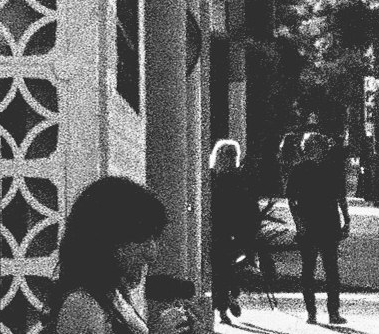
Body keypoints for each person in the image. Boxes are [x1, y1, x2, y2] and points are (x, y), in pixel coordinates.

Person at [41, 176, 198, 334]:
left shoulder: (113, 295)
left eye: (153, 238)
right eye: (141, 239)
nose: (152, 254)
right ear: (107, 241)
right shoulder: (82, 304)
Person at [285, 129, 350, 326]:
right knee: (309, 270)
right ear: (308, 149)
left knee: (331, 270)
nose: (319, 150)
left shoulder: (332, 168)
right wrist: (298, 222)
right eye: (315, 146)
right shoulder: (299, 170)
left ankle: (333, 311)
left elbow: (341, 196)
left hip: (329, 222)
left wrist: (346, 219)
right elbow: (291, 199)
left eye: (321, 146)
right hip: (309, 223)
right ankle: (311, 312)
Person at [208, 140, 253, 321]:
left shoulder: (238, 178)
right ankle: (223, 308)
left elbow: (248, 204)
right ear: (219, 156)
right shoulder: (212, 177)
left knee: (232, 268)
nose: (231, 159)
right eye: (228, 155)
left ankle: (232, 296)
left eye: (234, 155)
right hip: (218, 228)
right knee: (221, 269)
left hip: (236, 228)